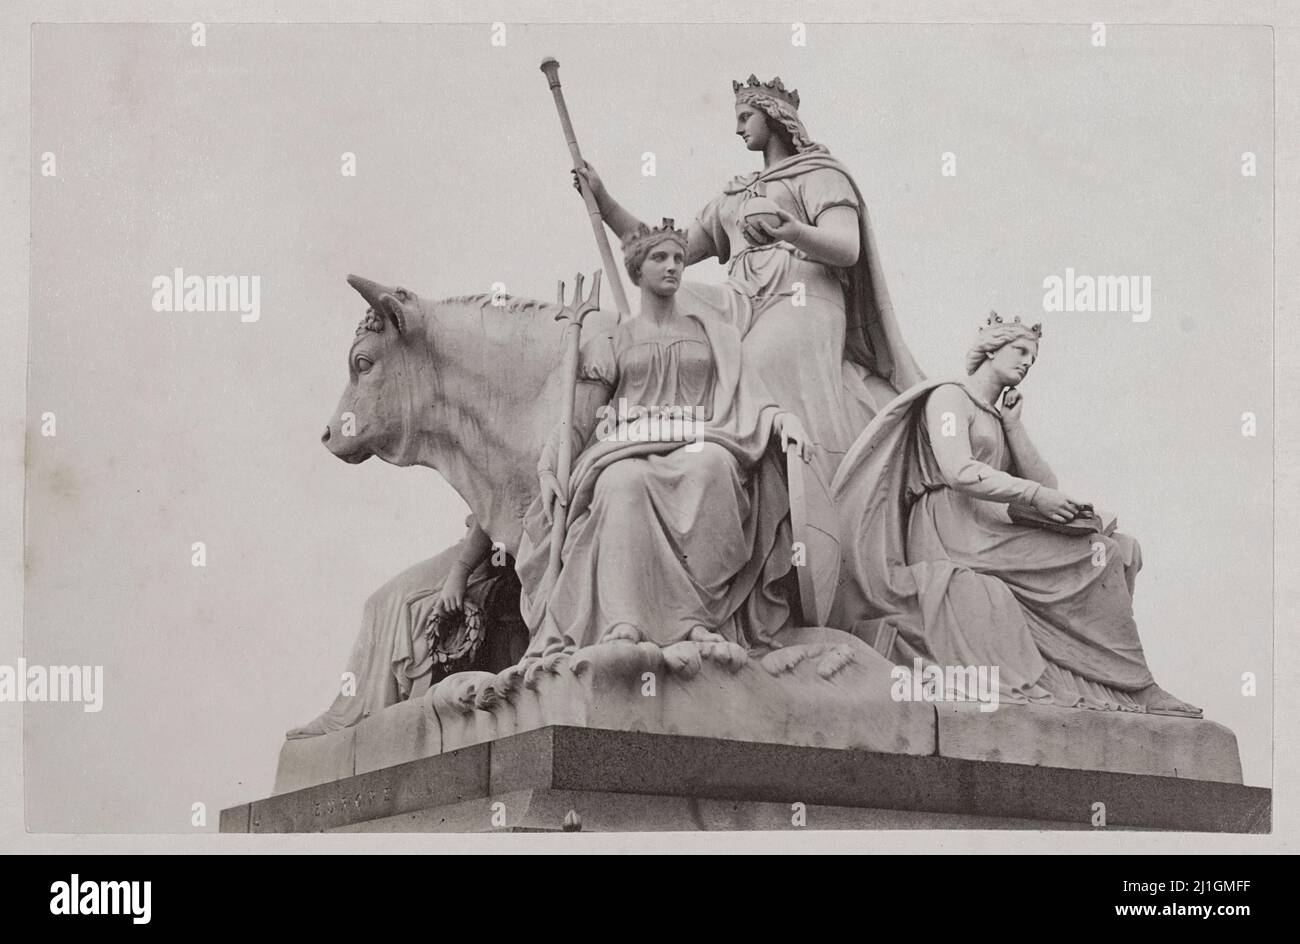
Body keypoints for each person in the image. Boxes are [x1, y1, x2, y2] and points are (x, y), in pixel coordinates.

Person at [830, 313, 1202, 716]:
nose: (1027, 363)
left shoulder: (995, 416)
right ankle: (1135, 685)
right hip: (952, 530)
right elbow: (958, 470)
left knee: (1120, 548)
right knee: (1103, 556)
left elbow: (1048, 484)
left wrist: (1013, 427)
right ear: (992, 349)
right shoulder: (948, 398)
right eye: (1020, 351)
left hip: (989, 526)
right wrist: (1034, 494)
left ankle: (1117, 681)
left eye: (1033, 358)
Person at [573, 75, 924, 479]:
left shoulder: (819, 174)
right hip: (740, 296)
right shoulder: (735, 194)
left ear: (774, 117)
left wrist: (790, 230)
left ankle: (797, 488)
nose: (738, 128)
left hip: (800, 295)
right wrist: (602, 199)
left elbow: (847, 248)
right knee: (675, 307)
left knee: (751, 367)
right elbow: (663, 249)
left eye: (746, 117)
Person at [515, 219, 813, 656]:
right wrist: (550, 464)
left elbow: (750, 393)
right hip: (628, 443)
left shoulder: (714, 333)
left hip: (702, 435)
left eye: (678, 258)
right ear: (637, 270)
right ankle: (625, 620)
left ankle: (695, 620)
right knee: (622, 483)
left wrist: (779, 418)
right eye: (660, 258)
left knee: (712, 467)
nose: (673, 266)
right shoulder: (614, 338)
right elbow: (579, 418)